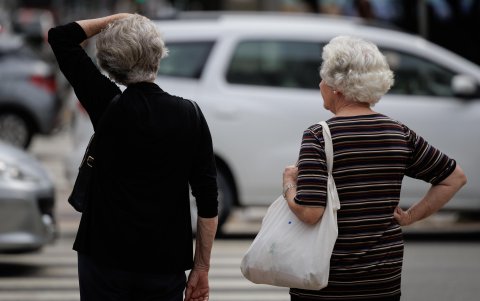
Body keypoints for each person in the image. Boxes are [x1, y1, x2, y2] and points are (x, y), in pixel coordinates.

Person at [282, 36, 467, 300]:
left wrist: (289, 183)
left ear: (337, 88)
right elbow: (454, 178)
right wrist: (411, 216)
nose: (320, 84)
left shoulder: (318, 136)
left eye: (323, 78)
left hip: (327, 281)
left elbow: (310, 212)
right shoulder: (399, 133)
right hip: (383, 280)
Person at [48, 14, 218, 301]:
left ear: (112, 65)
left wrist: (120, 18)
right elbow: (207, 200)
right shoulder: (190, 115)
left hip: (103, 255)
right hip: (164, 262)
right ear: (158, 55)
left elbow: (61, 37)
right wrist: (201, 267)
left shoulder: (106, 104)